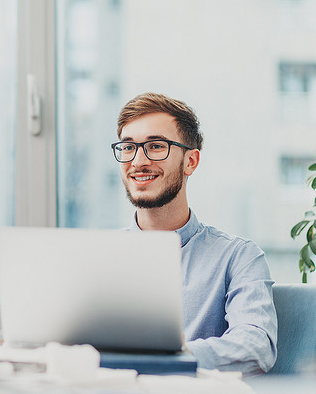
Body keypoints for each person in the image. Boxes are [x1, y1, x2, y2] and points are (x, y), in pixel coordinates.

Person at [112, 92, 277, 377]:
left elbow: (255, 347)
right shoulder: (100, 256)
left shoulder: (238, 256)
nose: (138, 161)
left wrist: (165, 359)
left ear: (191, 161)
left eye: (155, 146)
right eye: (128, 148)